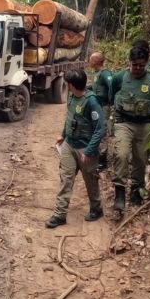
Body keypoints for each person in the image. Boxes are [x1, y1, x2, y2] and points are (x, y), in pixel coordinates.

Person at [45, 69, 106, 228]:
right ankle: (60, 214)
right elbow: (70, 117)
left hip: (85, 148)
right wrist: (63, 134)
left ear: (71, 85)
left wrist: (89, 150)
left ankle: (96, 208)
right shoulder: (71, 97)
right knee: (66, 179)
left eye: (67, 83)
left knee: (90, 181)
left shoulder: (91, 102)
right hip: (69, 145)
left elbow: (100, 129)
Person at [111, 43, 150, 215]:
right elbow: (112, 94)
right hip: (124, 122)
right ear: (129, 62)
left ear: (146, 63)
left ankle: (136, 190)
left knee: (141, 159)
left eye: (141, 65)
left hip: (144, 124)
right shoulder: (120, 77)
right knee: (122, 154)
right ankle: (119, 194)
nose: (138, 68)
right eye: (135, 65)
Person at [88, 52, 114, 170]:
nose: (89, 61)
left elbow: (112, 86)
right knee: (95, 130)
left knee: (102, 131)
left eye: (91, 59)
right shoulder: (97, 73)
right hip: (97, 106)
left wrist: (110, 101)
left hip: (104, 106)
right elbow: (96, 87)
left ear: (96, 61)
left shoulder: (105, 74)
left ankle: (103, 161)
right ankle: (96, 155)